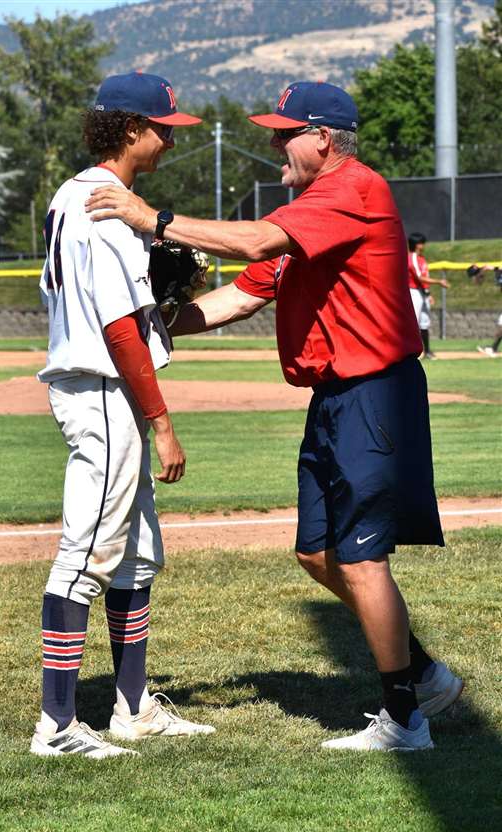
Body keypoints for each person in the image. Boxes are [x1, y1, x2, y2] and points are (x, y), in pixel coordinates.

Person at [85, 81, 463, 752]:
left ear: (323, 138)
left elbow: (258, 243)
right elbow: (235, 299)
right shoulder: (313, 209)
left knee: (361, 556)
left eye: (282, 132)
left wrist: (156, 220)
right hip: (337, 398)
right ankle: (424, 674)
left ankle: (406, 721)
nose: (271, 142)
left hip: (374, 391)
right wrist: (152, 324)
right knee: (318, 553)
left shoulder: (353, 189)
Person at [31, 72, 215, 759]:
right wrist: (162, 421)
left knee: (135, 555)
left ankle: (133, 707)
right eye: (164, 126)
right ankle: (56, 726)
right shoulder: (106, 209)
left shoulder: (75, 195)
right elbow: (116, 328)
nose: (170, 137)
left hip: (106, 393)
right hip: (104, 392)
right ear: (131, 129)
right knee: (86, 554)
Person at [407, 232, 449, 360]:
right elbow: (419, 277)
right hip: (413, 292)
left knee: (424, 323)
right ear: (416, 244)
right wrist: (439, 281)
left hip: (422, 293)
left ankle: (428, 351)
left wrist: (428, 294)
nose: (423, 245)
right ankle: (410, 352)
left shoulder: (422, 258)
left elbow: (423, 280)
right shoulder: (412, 257)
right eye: (421, 243)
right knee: (414, 322)